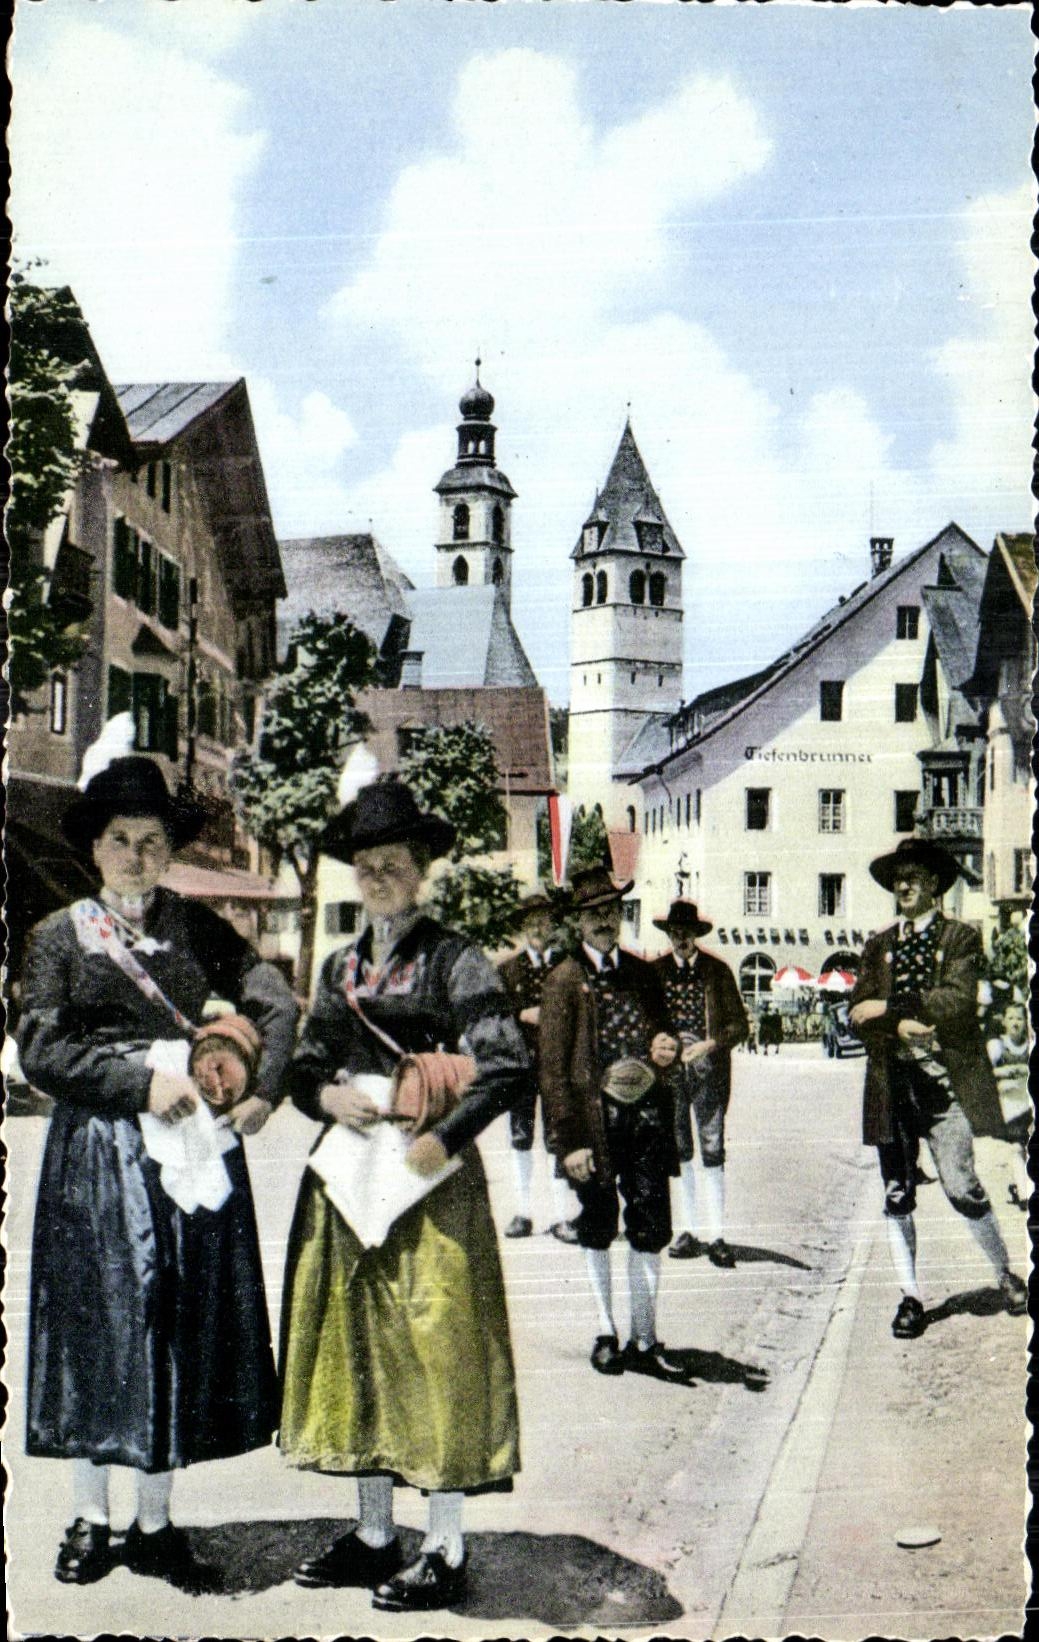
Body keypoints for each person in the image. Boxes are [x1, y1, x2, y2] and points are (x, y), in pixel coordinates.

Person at [16, 751, 298, 1592]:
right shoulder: (58, 937)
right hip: (98, 1155)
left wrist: (260, 1087)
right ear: (94, 849)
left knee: (171, 1323)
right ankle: (90, 1517)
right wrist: (141, 1082)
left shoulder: (197, 928)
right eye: (120, 840)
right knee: (97, 1327)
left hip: (187, 1160)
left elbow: (273, 999)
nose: (137, 856)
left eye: (151, 841)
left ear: (168, 850)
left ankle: (154, 1520)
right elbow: (42, 1048)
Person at [278, 775, 527, 1614]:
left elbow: (506, 1067)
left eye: (393, 861)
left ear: (422, 869)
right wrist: (324, 1099)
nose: (378, 874)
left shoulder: (458, 959)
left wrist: (439, 1141)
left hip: (427, 1183)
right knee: (357, 1348)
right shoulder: (341, 963)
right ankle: (375, 1534)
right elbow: (305, 1064)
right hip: (352, 1181)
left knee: (438, 1352)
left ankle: (446, 1544)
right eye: (365, 862)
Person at [848, 837, 1027, 1339]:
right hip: (891, 1087)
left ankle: (1004, 1273)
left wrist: (891, 1010)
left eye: (914, 877)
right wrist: (895, 1023)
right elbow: (856, 1012)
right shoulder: (878, 946)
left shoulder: (961, 939)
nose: (902, 885)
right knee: (897, 1192)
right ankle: (909, 1297)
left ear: (934, 885)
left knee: (961, 1185)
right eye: (897, 878)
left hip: (944, 1089)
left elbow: (955, 1001)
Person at [539, 866, 688, 1381]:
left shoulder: (645, 974)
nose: (605, 920)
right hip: (594, 1127)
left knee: (650, 1226)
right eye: (593, 913)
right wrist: (569, 1142)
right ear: (578, 922)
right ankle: (607, 1332)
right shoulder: (562, 980)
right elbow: (553, 1073)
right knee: (599, 1225)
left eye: (611, 910)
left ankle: (645, 1337)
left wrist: (667, 1048)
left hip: (646, 1120)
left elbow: (664, 1037)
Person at [651, 900, 749, 1267]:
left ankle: (718, 1235)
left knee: (712, 1149)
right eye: (675, 932)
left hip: (710, 1074)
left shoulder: (717, 972)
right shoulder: (655, 972)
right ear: (669, 935)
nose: (681, 938)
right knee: (679, 1152)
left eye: (686, 932)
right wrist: (662, 1047)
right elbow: (644, 1025)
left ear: (696, 934)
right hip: (670, 1077)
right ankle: (687, 1231)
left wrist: (711, 1044)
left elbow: (740, 1026)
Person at [496, 889, 579, 1240]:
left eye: (544, 921)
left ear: (553, 925)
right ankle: (522, 1213)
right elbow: (494, 1020)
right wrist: (520, 1015)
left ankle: (564, 1216)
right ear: (521, 928)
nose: (538, 928)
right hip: (521, 1066)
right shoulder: (507, 970)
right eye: (531, 922)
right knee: (520, 1137)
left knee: (558, 1137)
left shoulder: (567, 966)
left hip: (558, 1068)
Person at [986, 1000, 1031, 1208]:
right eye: (1011, 1018)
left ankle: (1022, 1185)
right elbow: (987, 1075)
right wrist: (1009, 1072)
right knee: (1016, 1147)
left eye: (1020, 1018)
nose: (1015, 1022)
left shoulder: (1030, 1044)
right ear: (1003, 1021)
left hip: (1028, 1103)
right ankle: (1024, 1194)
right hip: (1010, 1106)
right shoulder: (997, 1046)